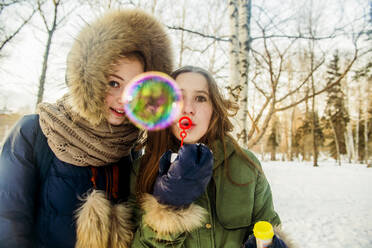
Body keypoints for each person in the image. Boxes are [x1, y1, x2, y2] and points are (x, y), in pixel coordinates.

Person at [0, 9, 173, 248]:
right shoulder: (33, 132)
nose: (124, 98)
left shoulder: (131, 150)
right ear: (90, 80)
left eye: (135, 87)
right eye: (114, 83)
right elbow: (8, 223)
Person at [130, 66, 293, 247]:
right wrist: (169, 208)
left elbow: (269, 227)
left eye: (200, 98)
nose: (189, 109)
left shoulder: (246, 164)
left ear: (214, 109)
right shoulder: (141, 170)